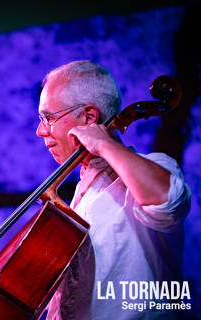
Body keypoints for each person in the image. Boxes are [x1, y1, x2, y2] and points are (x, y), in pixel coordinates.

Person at [36, 61, 191, 319]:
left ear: (88, 117)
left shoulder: (157, 168)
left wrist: (104, 144)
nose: (41, 131)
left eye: (49, 118)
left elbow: (167, 200)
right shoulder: (79, 197)